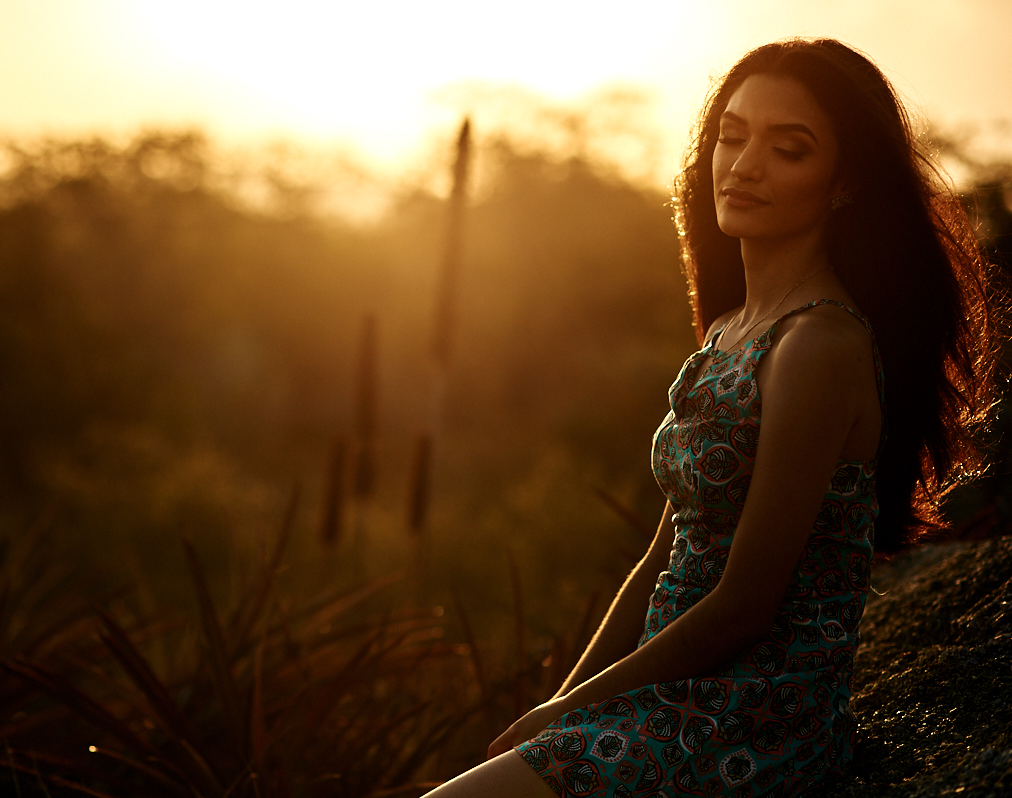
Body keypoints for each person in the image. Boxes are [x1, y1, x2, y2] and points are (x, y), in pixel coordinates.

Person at [425, 38, 1001, 798]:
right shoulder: (733, 326)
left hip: (750, 715)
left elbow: (745, 603)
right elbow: (662, 555)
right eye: (732, 136)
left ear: (844, 183)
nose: (744, 164)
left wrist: (574, 712)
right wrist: (558, 702)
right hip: (667, 693)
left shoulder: (818, 345)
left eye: (788, 149)